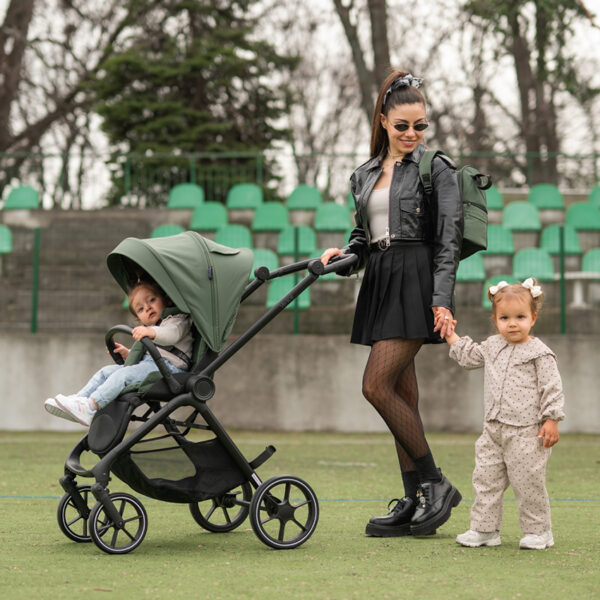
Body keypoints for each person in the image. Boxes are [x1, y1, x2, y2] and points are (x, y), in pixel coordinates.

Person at [321, 70, 463, 537]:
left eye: (420, 126)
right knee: (403, 396)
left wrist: (441, 300)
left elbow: (448, 240)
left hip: (416, 277)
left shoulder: (436, 168)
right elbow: (364, 237)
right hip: (381, 278)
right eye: (402, 125)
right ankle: (415, 497)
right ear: (383, 120)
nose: (411, 134)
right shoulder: (363, 174)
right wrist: (343, 255)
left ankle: (436, 483)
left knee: (375, 386)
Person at [446, 278, 565, 550]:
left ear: (533, 318)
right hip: (493, 430)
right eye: (505, 318)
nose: (512, 324)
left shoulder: (540, 353)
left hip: (527, 433)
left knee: (528, 483)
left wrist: (551, 419)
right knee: (485, 480)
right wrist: (450, 333)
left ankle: (538, 531)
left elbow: (551, 388)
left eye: (520, 317)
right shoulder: (492, 346)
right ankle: (485, 529)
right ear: (495, 319)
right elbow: (468, 356)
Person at [44, 279, 193, 427]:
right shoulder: (153, 327)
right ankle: (79, 400)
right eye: (140, 309)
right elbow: (152, 353)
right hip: (153, 365)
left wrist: (151, 332)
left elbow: (170, 335)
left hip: (170, 370)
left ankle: (90, 408)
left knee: (123, 375)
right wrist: (128, 353)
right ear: (138, 318)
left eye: (152, 300)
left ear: (165, 298)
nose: (147, 308)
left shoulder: (177, 320)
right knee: (105, 372)